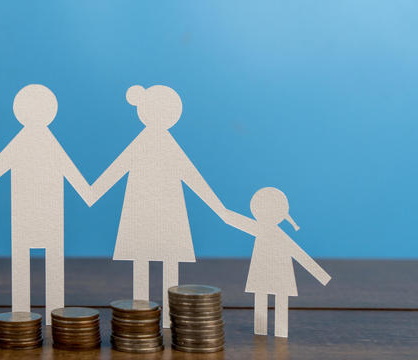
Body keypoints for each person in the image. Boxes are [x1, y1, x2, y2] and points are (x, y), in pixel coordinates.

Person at [89, 85, 228, 327]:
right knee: (152, 258)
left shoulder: (154, 143)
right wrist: (220, 209)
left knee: (159, 258)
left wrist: (92, 192)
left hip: (161, 210)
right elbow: (193, 178)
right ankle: (148, 317)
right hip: (149, 209)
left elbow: (192, 177)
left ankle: (163, 318)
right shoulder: (150, 143)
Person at [0, 84, 92, 325]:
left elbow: (69, 171)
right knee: (29, 261)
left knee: (42, 261)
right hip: (30, 214)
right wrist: (89, 193)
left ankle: (48, 316)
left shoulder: (38, 142)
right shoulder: (32, 142)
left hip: (44, 214)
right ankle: (25, 316)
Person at [222, 187, 331, 337]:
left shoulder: (269, 232)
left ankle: (277, 330)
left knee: (275, 299)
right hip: (266, 273)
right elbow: (231, 218)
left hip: (277, 274)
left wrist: (322, 276)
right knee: (264, 298)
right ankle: (263, 330)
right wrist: (220, 210)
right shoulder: (268, 231)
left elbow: (299, 254)